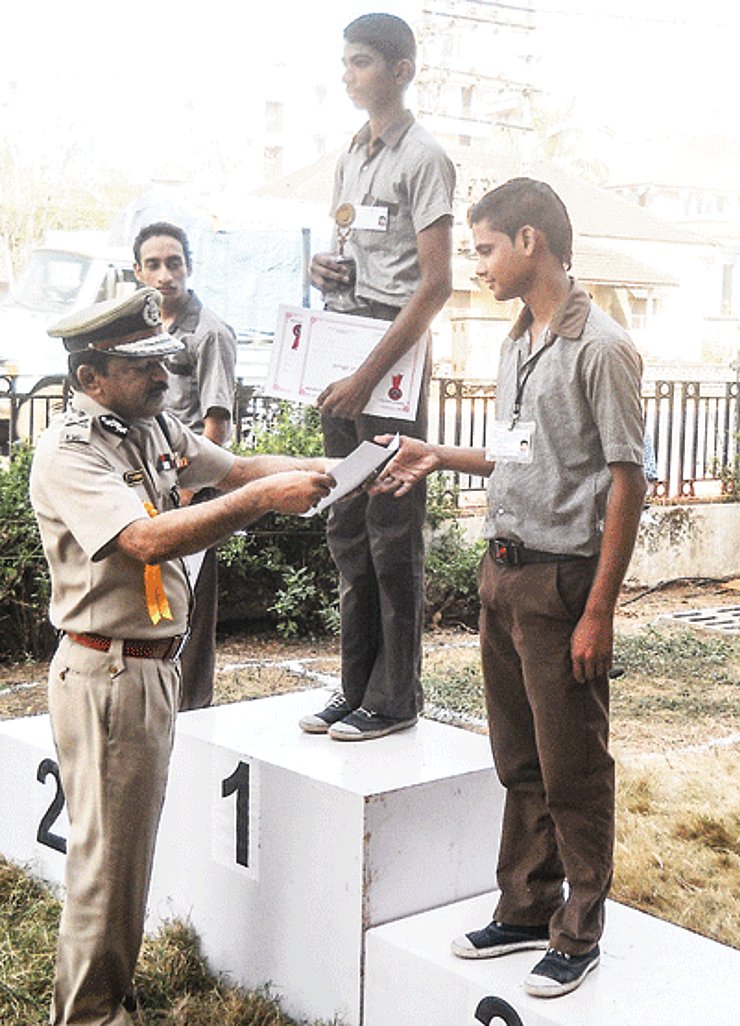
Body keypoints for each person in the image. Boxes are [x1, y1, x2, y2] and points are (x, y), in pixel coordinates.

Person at [29, 288, 334, 1026]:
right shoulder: (71, 450)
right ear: (90, 377)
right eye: (143, 366)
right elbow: (144, 539)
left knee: (125, 858)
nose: (164, 375)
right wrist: (266, 501)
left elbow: (236, 469)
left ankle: (110, 999)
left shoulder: (152, 426)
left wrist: (329, 468)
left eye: (165, 359)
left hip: (147, 667)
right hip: (107, 671)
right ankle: (91, 1017)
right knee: (105, 869)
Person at [370, 178, 645, 997]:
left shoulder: (602, 345)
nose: (476, 264)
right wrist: (436, 455)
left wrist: (598, 610)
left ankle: (579, 928)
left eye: (484, 248)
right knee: (518, 758)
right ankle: (525, 907)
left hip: (563, 584)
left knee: (573, 767)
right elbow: (519, 451)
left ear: (530, 242)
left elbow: (629, 482)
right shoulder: (516, 341)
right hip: (503, 573)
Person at [300, 12, 455, 741]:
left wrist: (367, 376)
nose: (348, 74)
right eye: (346, 62)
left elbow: (434, 285)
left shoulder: (423, 158)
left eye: (362, 62)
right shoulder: (351, 155)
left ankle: (395, 699)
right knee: (346, 523)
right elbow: (347, 246)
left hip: (388, 363)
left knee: (393, 531)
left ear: (401, 70)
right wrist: (320, 268)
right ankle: (355, 683)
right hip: (344, 345)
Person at [133, 221, 238, 710]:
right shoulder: (141, 331)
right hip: (144, 488)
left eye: (174, 263)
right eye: (153, 264)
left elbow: (216, 422)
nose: (164, 275)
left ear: (189, 268)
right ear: (137, 271)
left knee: (188, 606)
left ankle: (190, 710)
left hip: (189, 489)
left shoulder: (209, 332)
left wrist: (190, 496)